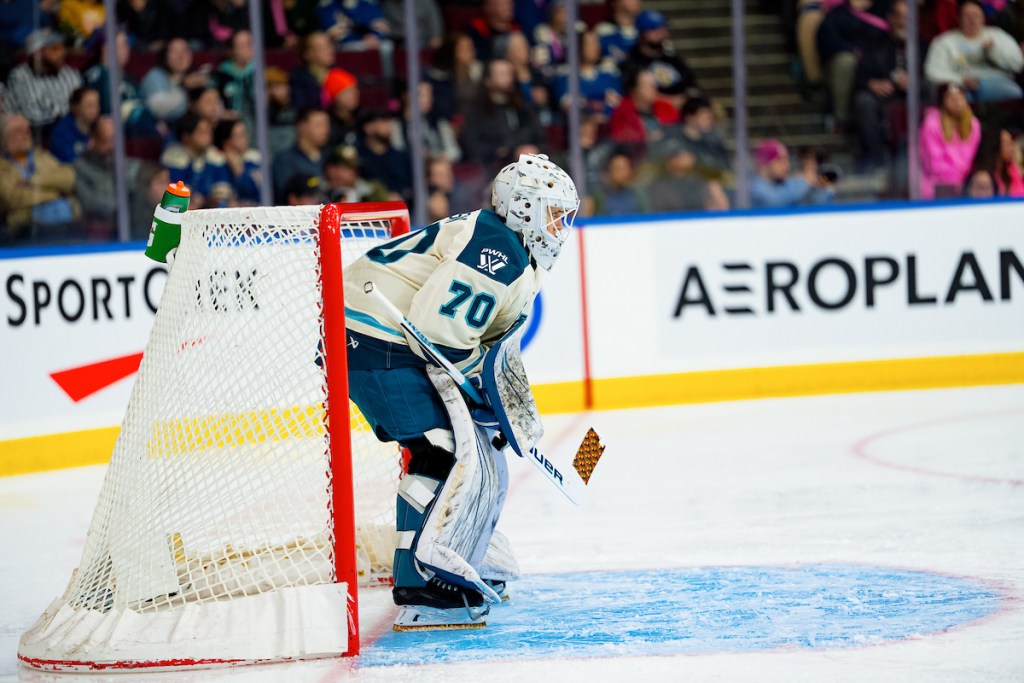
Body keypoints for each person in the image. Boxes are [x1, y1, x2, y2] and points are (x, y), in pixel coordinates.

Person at [341, 152, 579, 630]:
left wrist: (494, 395)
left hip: (382, 338)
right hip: (373, 340)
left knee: (471, 446)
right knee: (443, 453)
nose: (560, 227)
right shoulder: (499, 248)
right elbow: (439, 333)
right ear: (526, 209)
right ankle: (424, 583)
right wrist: (481, 387)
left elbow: (480, 344)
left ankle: (461, 547)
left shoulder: (510, 248)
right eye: (554, 214)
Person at [0, 112, 80, 242]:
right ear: (4, 138)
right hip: (23, 232)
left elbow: (68, 177)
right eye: (18, 131)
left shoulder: (42, 157)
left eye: (27, 131)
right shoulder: (2, 167)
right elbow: (12, 198)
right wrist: (56, 195)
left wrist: (32, 181)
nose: (25, 136)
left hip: (64, 227)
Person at [852, 0, 912, 171]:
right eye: (899, 16)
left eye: (907, 17)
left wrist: (913, 84)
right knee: (863, 101)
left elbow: (931, 79)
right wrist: (871, 84)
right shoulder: (874, 43)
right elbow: (860, 78)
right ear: (890, 19)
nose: (902, 22)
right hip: (883, 98)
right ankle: (875, 160)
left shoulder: (921, 47)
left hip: (913, 99)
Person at [925, 0, 1024, 103]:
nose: (972, 20)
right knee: (958, 99)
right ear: (958, 19)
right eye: (967, 16)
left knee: (1015, 92)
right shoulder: (944, 41)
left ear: (983, 18)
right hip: (961, 88)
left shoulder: (998, 36)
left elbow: (1017, 64)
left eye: (976, 16)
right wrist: (961, 80)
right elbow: (933, 72)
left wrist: (994, 53)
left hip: (997, 83)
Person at [4, 28, 83, 137]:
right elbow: (34, 118)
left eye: (62, 48)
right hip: (35, 136)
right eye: (55, 49)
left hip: (71, 133)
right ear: (38, 53)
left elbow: (82, 107)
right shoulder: (20, 77)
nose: (62, 53)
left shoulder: (70, 74)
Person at [918, 84, 980, 198]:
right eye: (951, 98)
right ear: (942, 101)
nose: (957, 102)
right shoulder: (931, 124)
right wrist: (957, 181)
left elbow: (971, 158)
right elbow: (934, 164)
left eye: (960, 97)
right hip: (936, 185)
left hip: (965, 184)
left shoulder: (974, 124)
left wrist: (964, 182)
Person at [749, 139, 835, 207]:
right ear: (764, 164)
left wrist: (819, 186)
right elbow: (773, 201)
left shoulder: (787, 183)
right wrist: (805, 182)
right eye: (780, 161)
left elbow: (819, 203)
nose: (787, 166)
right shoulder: (753, 187)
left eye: (787, 160)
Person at [271, 107, 329, 203]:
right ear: (302, 126)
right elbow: (288, 196)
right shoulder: (285, 160)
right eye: (319, 125)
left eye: (327, 125)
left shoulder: (330, 157)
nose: (325, 130)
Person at [322, 143, 390, 203]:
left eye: (354, 167)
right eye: (347, 167)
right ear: (331, 169)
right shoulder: (318, 192)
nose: (353, 171)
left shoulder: (374, 191)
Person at [48, 86, 100, 163]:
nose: (94, 110)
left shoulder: (100, 126)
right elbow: (69, 162)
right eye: (89, 105)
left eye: (96, 105)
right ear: (75, 107)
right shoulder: (61, 133)